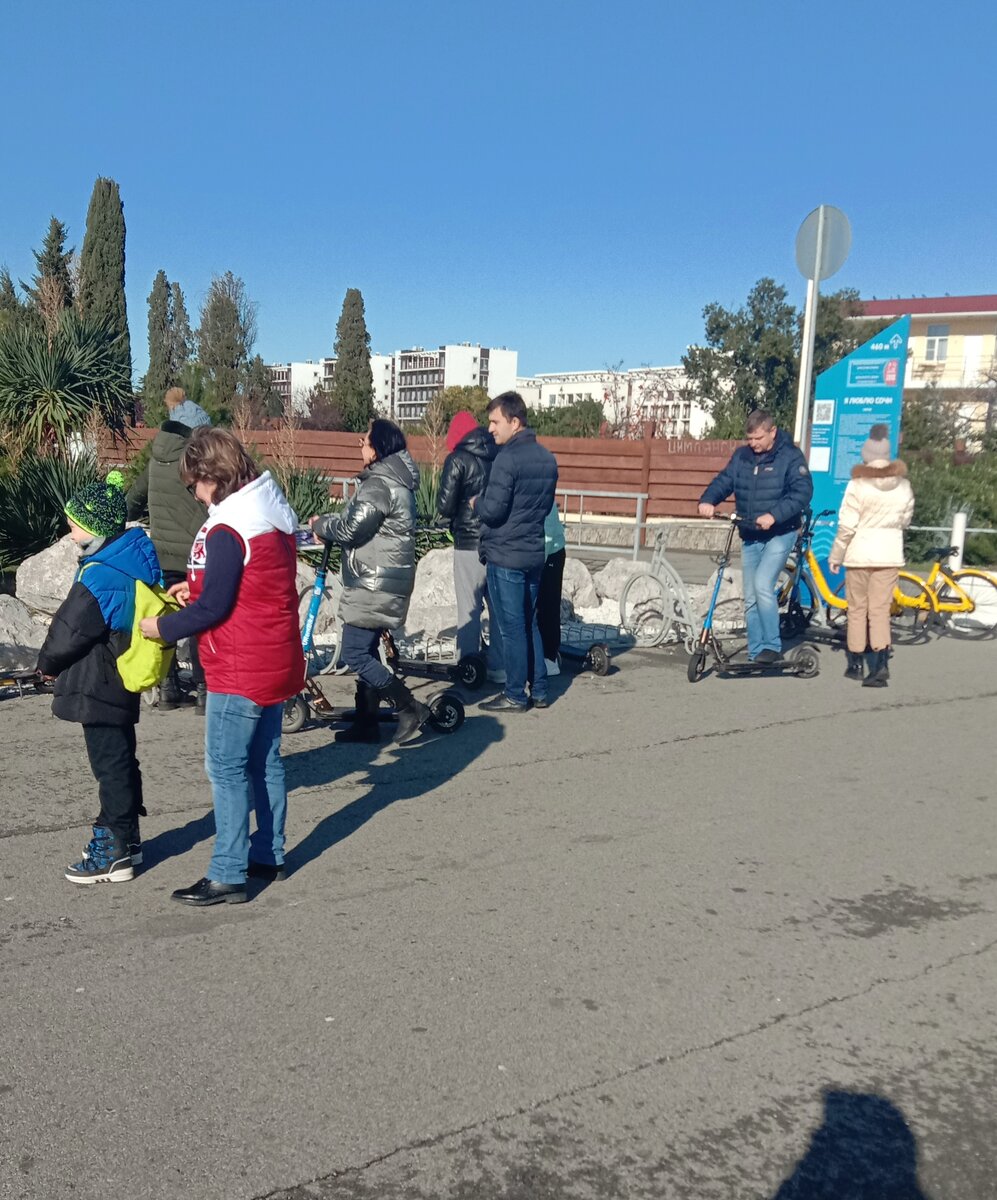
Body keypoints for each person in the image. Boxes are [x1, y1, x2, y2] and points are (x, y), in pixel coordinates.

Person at [139, 428, 305, 906]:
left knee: (226, 767)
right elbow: (247, 585)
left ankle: (228, 871)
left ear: (213, 475)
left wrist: (164, 629)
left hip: (240, 664)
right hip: (273, 655)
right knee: (264, 761)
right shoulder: (267, 515)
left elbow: (215, 608)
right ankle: (268, 854)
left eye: (194, 484)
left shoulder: (229, 526)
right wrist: (198, 589)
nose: (194, 492)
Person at [37, 472, 162, 885]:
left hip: (100, 681)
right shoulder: (131, 559)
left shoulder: (100, 574)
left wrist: (47, 665)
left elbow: (69, 631)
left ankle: (112, 851)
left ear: (93, 527)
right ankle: (129, 839)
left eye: (74, 524)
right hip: (123, 673)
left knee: (108, 765)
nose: (70, 532)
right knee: (122, 758)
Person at [310, 420, 428, 744]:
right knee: (367, 650)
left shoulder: (380, 484)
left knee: (354, 652)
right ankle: (367, 721)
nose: (360, 446)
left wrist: (321, 524)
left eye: (363, 440)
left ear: (376, 447)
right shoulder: (395, 482)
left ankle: (408, 707)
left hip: (373, 583)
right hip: (383, 579)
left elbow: (351, 529)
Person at [698, 409, 813, 663]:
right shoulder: (742, 457)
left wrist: (774, 515)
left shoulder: (791, 457)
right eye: (749, 439)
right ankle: (756, 649)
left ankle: (772, 645)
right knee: (750, 593)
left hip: (781, 532)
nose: (753, 444)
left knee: (762, 584)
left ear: (772, 432)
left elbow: (802, 492)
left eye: (758, 438)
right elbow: (725, 481)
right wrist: (708, 500)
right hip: (750, 532)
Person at [127, 386, 211, 712]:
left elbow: (132, 501)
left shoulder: (156, 459)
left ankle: (168, 688)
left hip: (161, 553)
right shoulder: (194, 461)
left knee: (166, 618)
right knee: (198, 621)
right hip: (195, 552)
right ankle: (205, 691)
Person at [475, 392, 559, 712]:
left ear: (515, 421)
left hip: (505, 554)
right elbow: (545, 506)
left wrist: (476, 504)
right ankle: (538, 690)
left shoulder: (506, 459)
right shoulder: (547, 459)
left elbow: (493, 511)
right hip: (534, 552)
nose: (491, 429)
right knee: (529, 623)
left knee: (511, 628)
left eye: (495, 422)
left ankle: (514, 694)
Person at [828, 425, 914, 687]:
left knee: (857, 609)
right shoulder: (904, 486)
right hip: (889, 556)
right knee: (879, 611)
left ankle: (855, 664)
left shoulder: (858, 486)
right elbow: (906, 520)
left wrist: (836, 555)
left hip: (859, 555)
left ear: (866, 455)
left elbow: (847, 526)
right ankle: (880, 666)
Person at [436, 410, 504, 680]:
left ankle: (468, 666)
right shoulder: (498, 454)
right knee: (497, 606)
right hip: (496, 541)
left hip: (467, 541)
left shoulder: (457, 459)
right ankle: (499, 667)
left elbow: (444, 504)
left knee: (469, 606)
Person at [537, 501, 566, 674]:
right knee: (541, 606)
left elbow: (547, 535)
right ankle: (545, 652)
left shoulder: (543, 491)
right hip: (544, 550)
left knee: (548, 605)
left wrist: (538, 565)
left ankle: (550, 658)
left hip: (552, 552)